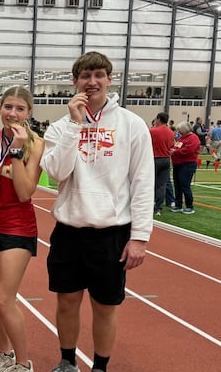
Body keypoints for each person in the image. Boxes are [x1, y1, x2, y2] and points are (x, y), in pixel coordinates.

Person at [40, 52, 154, 372]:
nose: (92, 82)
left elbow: (143, 182)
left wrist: (140, 237)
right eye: (85, 76)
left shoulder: (131, 125)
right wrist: (75, 125)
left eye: (99, 75)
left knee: (105, 306)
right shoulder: (59, 127)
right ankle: (67, 361)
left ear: (109, 79)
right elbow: (57, 172)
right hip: (69, 230)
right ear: (75, 82)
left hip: (110, 233)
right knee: (66, 302)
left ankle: (100, 367)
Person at [0, 86, 44, 372]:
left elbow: (25, 192)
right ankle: (4, 354)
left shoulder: (35, 144)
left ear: (29, 112)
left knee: (4, 299)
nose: (12, 113)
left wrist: (16, 150)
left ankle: (23, 363)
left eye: (19, 108)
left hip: (18, 228)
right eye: (8, 107)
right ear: (0, 108)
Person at [170, 120, 200, 214]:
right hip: (177, 164)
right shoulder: (181, 138)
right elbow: (177, 147)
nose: (179, 132)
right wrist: (173, 150)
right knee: (177, 185)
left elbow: (189, 150)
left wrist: (175, 152)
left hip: (187, 165)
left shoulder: (193, 138)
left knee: (185, 185)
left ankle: (189, 206)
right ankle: (178, 204)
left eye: (180, 130)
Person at [150, 112, 174, 217]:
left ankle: (150, 204)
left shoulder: (153, 131)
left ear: (158, 119)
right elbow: (172, 145)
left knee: (150, 184)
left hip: (155, 158)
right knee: (162, 185)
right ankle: (158, 208)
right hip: (166, 159)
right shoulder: (171, 132)